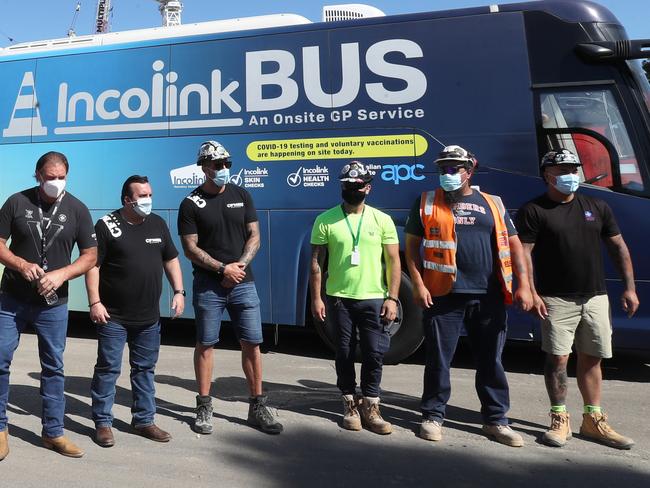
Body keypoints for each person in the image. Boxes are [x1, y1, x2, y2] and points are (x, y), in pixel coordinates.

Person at [404, 145, 533, 447]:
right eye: (442, 168)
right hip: (443, 295)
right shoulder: (425, 202)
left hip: (488, 296)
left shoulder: (492, 203)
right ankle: (433, 416)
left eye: (453, 168)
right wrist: (419, 285)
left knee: (491, 361)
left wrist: (524, 285)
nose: (447, 173)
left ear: (469, 171)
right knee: (439, 360)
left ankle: (496, 420)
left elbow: (514, 247)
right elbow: (411, 249)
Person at [516, 149, 639, 450]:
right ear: (547, 175)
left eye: (572, 168)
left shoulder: (597, 206)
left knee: (592, 357)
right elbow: (524, 255)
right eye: (561, 170)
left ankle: (593, 419)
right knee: (558, 358)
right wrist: (530, 291)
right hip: (556, 299)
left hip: (595, 296)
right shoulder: (534, 210)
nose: (569, 175)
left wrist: (630, 288)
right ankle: (559, 418)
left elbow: (618, 247)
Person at [178, 140, 282, 435]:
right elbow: (190, 248)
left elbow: (255, 237)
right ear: (204, 167)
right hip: (208, 285)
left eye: (227, 164)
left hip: (243, 283)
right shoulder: (190, 204)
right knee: (206, 344)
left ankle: (257, 405)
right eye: (217, 164)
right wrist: (222, 269)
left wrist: (238, 268)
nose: (224, 169)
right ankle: (204, 405)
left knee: (252, 343)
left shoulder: (242, 194)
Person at [0, 151, 97, 459]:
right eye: (50, 177)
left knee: (54, 368)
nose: (56, 182)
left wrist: (62, 274)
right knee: (0, 362)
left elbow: (90, 256)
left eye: (61, 177)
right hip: (12, 299)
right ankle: (0, 429)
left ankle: (53, 433)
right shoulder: (17, 202)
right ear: (37, 176)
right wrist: (18, 263)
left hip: (53, 304)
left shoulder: (78, 209)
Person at [86, 175, 185, 448]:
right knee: (108, 369)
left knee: (144, 370)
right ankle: (103, 423)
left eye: (149, 194)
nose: (148, 200)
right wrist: (95, 302)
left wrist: (179, 291)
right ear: (127, 200)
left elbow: (171, 259)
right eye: (142, 195)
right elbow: (93, 266)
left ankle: (144, 420)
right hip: (113, 317)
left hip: (148, 319)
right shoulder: (107, 225)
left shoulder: (157, 223)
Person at [310, 161, 400, 435]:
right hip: (339, 298)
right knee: (344, 353)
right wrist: (317, 298)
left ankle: (371, 406)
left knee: (374, 353)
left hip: (374, 298)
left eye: (357, 185)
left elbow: (394, 261)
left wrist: (392, 298)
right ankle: (350, 404)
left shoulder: (382, 220)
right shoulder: (325, 220)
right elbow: (316, 263)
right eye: (347, 186)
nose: (352, 189)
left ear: (367, 188)